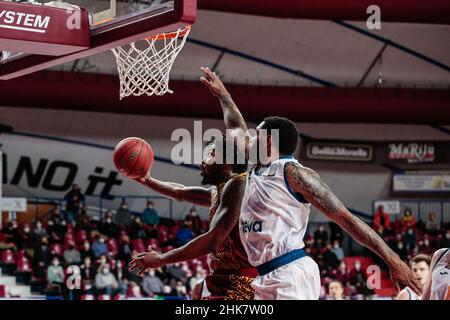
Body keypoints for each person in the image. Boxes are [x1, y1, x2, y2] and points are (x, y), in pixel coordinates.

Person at [199, 66, 419, 299]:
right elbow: (236, 127)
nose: (251, 137)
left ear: (268, 140)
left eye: (257, 133)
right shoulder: (255, 167)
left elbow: (348, 220)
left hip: (291, 274)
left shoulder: (295, 174)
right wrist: (223, 95)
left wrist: (393, 260)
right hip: (264, 275)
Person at [129, 137, 256, 300]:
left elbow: (213, 240)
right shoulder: (219, 191)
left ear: (227, 162)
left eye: (211, 154)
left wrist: (160, 259)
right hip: (226, 277)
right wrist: (147, 180)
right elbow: (179, 192)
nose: (203, 161)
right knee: (197, 291)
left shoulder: (238, 185)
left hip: (243, 281)